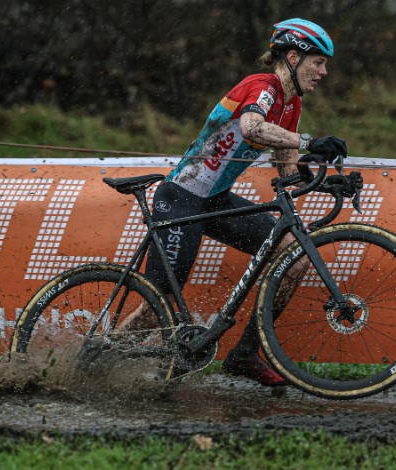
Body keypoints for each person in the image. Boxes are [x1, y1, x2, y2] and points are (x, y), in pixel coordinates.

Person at [123, 18, 347, 386]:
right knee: (155, 306)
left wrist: (327, 182)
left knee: (295, 258)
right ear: (293, 56)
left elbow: (286, 174)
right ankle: (98, 358)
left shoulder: (291, 106)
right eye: (318, 62)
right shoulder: (262, 86)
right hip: (181, 197)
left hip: (213, 200)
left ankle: (245, 353)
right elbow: (251, 127)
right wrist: (310, 141)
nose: (323, 72)